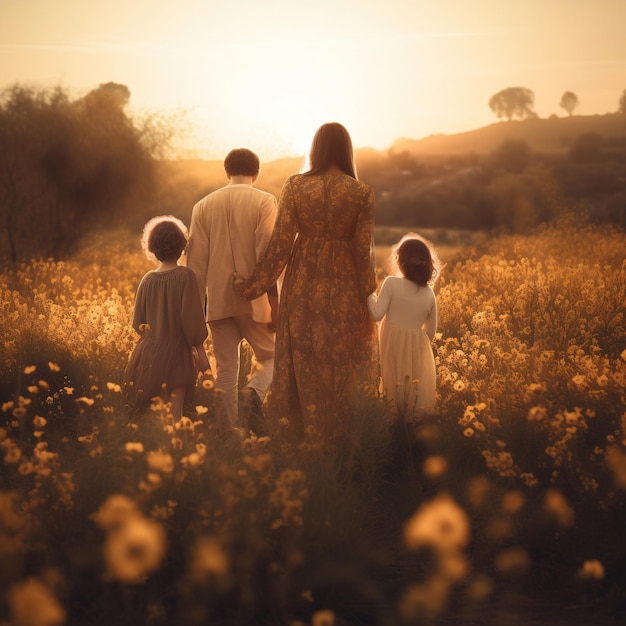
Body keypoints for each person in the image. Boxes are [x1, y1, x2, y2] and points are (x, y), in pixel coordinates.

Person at [234, 122, 379, 439]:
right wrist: (371, 298)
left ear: (316, 148)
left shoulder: (295, 185)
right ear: (346, 149)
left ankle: (300, 434)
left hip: (302, 285)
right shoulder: (361, 192)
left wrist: (251, 286)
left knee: (303, 359)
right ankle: (340, 436)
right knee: (342, 362)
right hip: (345, 288)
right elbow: (363, 252)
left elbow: (281, 245)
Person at [187, 148, 278, 429]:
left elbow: (195, 265)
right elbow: (268, 251)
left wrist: (194, 309)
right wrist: (274, 299)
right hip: (255, 299)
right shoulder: (265, 201)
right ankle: (254, 391)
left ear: (227, 172)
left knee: (226, 370)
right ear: (256, 173)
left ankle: (228, 435)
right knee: (273, 356)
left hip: (218, 302)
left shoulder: (202, 206)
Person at [125, 215, 209, 421]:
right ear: (182, 246)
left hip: (148, 356)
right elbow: (192, 322)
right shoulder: (185, 276)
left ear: (153, 248)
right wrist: (200, 352)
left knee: (154, 419)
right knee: (175, 415)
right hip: (176, 356)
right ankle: (174, 451)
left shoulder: (147, 280)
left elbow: (138, 324)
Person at [367, 233, 441, 420]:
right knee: (414, 397)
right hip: (420, 351)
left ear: (400, 260)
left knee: (393, 391)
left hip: (393, 346)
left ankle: (396, 433)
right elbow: (430, 333)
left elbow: (376, 314)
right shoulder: (429, 294)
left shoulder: (391, 283)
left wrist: (369, 293)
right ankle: (412, 437)